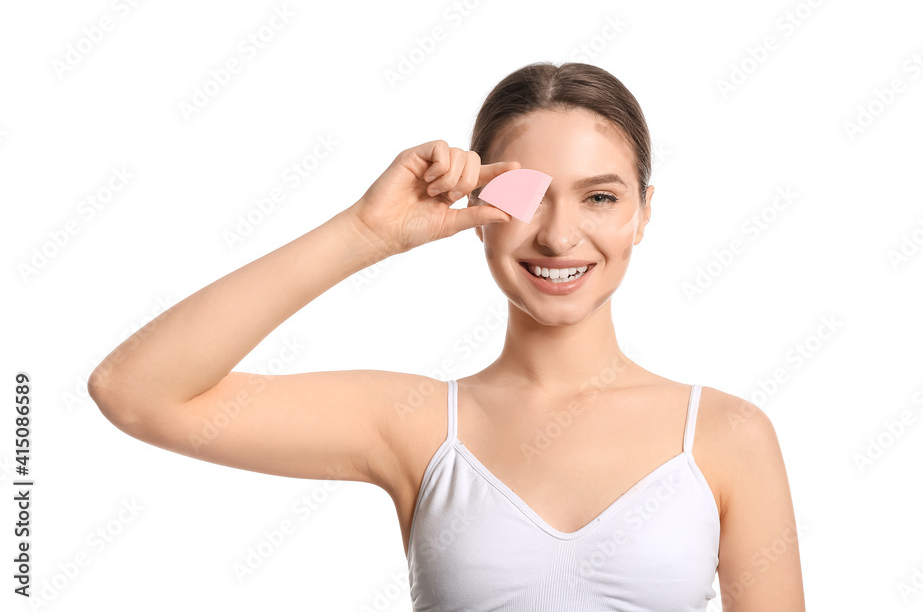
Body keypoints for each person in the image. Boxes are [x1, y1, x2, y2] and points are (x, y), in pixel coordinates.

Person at [88, 62, 805, 611]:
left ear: (643, 213)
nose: (558, 235)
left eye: (600, 197)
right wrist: (366, 234)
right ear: (479, 206)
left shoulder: (725, 436)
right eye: (524, 195)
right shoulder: (416, 427)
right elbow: (137, 391)